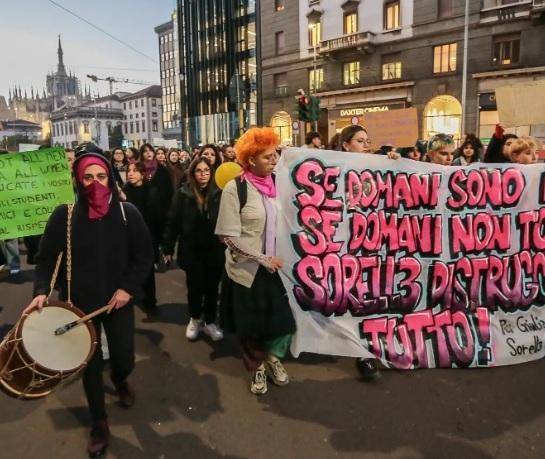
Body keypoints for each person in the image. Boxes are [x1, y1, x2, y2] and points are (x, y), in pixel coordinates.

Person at [25, 151, 153, 457]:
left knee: (124, 357)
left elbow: (143, 256)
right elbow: (44, 259)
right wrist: (41, 290)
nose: (95, 183)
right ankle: (99, 422)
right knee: (90, 367)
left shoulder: (127, 213)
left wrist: (127, 289)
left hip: (117, 302)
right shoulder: (64, 215)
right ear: (77, 180)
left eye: (101, 176)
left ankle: (120, 378)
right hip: (79, 307)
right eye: (87, 177)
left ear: (110, 177)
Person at [216, 127, 296, 395]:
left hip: (280, 269)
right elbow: (227, 236)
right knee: (251, 327)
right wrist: (261, 258)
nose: (274, 161)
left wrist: (385, 161)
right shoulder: (234, 188)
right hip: (247, 270)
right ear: (250, 159)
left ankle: (273, 359)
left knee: (283, 322)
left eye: (276, 155)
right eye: (267, 157)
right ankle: (257, 367)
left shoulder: (283, 182)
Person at [162, 158, 225, 341]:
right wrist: (167, 247)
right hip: (192, 250)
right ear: (193, 173)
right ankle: (195, 319)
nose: (203, 174)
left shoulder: (219, 193)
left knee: (213, 288)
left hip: (215, 249)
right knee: (195, 288)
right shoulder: (183, 193)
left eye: (206, 170)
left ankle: (211, 322)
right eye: (199, 170)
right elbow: (172, 221)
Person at [121, 162, 159, 316]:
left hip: (147, 236)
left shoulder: (152, 191)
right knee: (131, 270)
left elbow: (151, 216)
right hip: (128, 238)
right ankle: (136, 297)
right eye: (128, 170)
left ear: (143, 174)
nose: (130, 173)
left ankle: (150, 302)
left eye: (135, 171)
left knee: (148, 271)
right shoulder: (124, 191)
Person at [140, 143, 174, 270]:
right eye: (145, 151)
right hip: (145, 210)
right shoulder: (139, 169)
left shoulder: (162, 169)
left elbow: (169, 190)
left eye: (150, 151)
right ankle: (153, 259)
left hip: (161, 209)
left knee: (162, 234)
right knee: (149, 236)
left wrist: (170, 208)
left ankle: (166, 256)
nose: (148, 153)